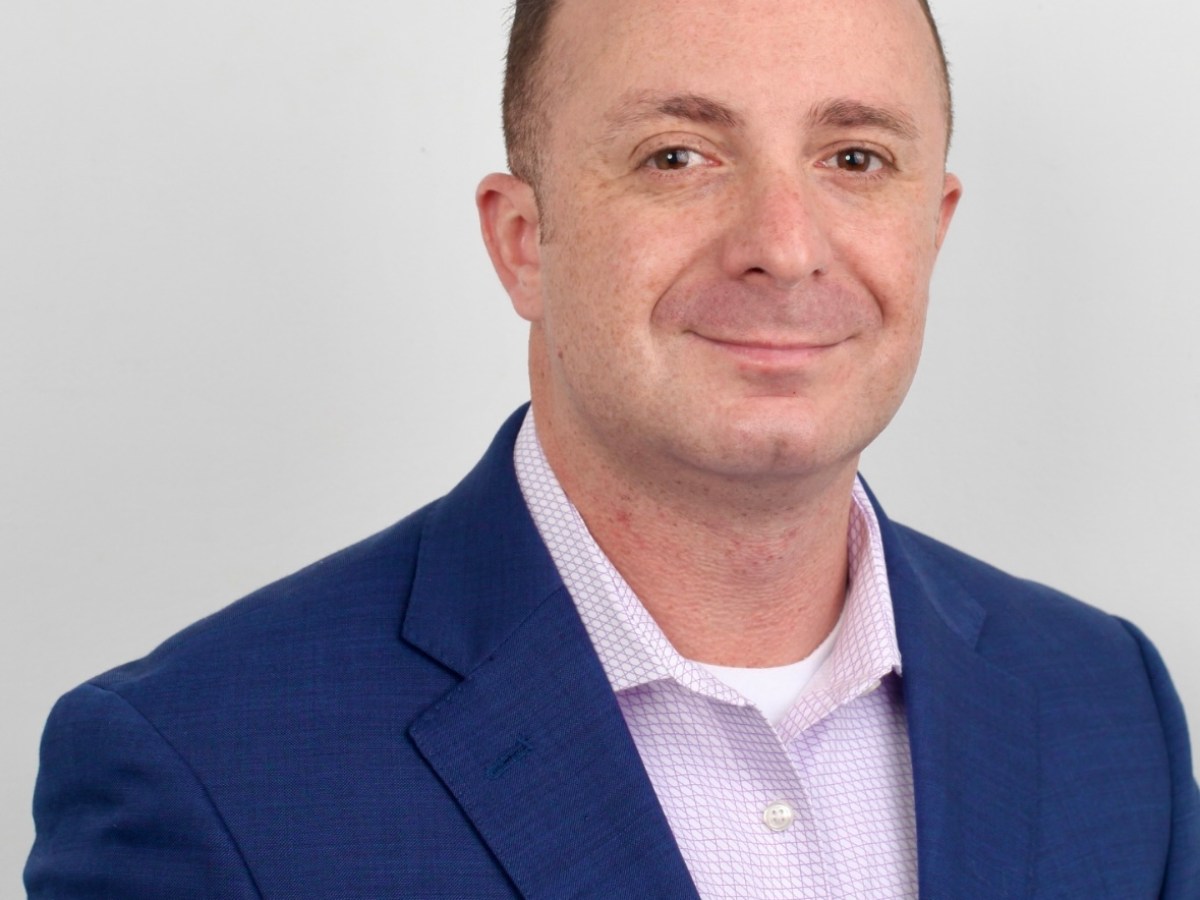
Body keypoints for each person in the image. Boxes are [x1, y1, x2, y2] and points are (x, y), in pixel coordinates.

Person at [25, 0, 1199, 895]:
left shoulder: (1109, 708)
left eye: (855, 160)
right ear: (524, 242)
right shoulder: (202, 770)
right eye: (676, 155)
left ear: (932, 229)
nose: (784, 249)